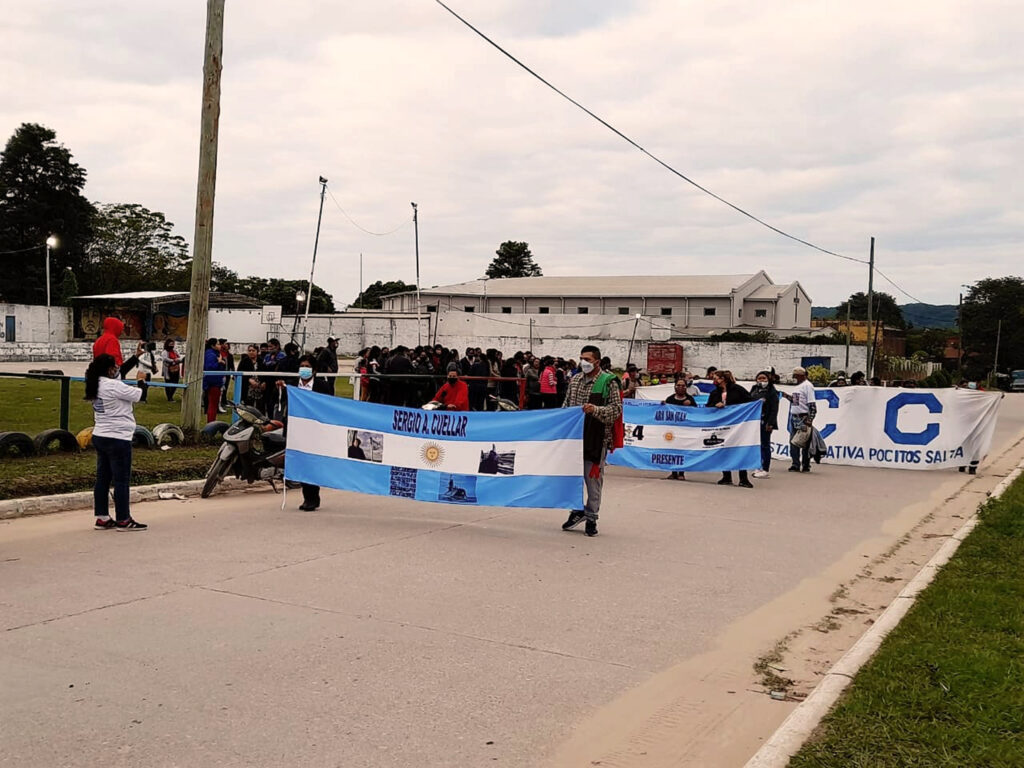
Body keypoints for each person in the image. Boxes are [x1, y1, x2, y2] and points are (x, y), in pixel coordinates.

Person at [561, 345, 623, 537]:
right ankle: (577, 510)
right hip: (574, 439)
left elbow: (616, 409)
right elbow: (566, 405)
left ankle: (592, 516)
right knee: (572, 478)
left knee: (593, 480)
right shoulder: (576, 379)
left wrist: (594, 410)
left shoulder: (608, 382)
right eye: (581, 358)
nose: (583, 362)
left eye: (587, 359)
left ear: (597, 361)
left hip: (596, 439)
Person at [84, 353, 147, 531]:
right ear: (110, 369)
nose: (117, 369)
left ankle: (102, 517)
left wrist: (136, 356)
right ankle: (123, 519)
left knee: (102, 478)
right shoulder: (114, 386)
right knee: (121, 480)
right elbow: (140, 396)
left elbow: (117, 378)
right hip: (118, 437)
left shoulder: (94, 383)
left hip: (101, 434)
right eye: (115, 367)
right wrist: (142, 381)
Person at [706, 370, 754, 488]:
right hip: (722, 426)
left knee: (739, 450)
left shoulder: (738, 390)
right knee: (723, 450)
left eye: (716, 378)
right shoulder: (714, 393)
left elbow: (749, 402)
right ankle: (726, 476)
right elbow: (708, 407)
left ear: (723, 379)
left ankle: (743, 478)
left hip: (738, 426)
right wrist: (715, 405)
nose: (714, 380)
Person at [782, 366, 817, 473]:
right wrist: (786, 396)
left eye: (796, 376)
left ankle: (805, 464)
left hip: (803, 417)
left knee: (804, 442)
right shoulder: (798, 386)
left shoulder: (807, 386)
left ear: (800, 375)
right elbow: (796, 401)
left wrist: (810, 419)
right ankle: (795, 464)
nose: (794, 378)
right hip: (795, 417)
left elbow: (812, 404)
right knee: (794, 442)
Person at [662, 377, 696, 480]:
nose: (681, 388)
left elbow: (697, 414)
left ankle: (681, 473)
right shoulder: (670, 399)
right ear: (675, 387)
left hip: (685, 430)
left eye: (683, 386)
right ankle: (673, 472)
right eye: (678, 385)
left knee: (683, 451)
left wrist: (691, 406)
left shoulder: (690, 399)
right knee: (672, 450)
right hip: (672, 431)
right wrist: (663, 405)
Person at [749, 369, 779, 479]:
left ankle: (765, 469)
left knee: (765, 445)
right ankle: (758, 465)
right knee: (758, 445)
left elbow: (774, 409)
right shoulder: (754, 389)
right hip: (754, 422)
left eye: (764, 378)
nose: (761, 380)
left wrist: (770, 423)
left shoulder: (771, 392)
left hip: (765, 421)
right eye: (759, 378)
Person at [202, 338, 226, 424]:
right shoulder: (210, 354)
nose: (220, 346)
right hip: (213, 382)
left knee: (214, 404)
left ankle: (212, 421)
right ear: (213, 345)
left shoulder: (214, 353)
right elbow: (210, 368)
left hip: (215, 381)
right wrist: (219, 363)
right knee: (213, 404)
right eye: (218, 344)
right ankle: (211, 422)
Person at [218, 340, 235, 412]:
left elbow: (232, 365)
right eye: (225, 344)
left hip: (227, 374)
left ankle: (224, 401)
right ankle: (220, 403)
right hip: (220, 374)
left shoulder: (229, 355)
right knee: (220, 389)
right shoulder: (219, 354)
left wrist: (233, 373)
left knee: (225, 388)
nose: (227, 345)